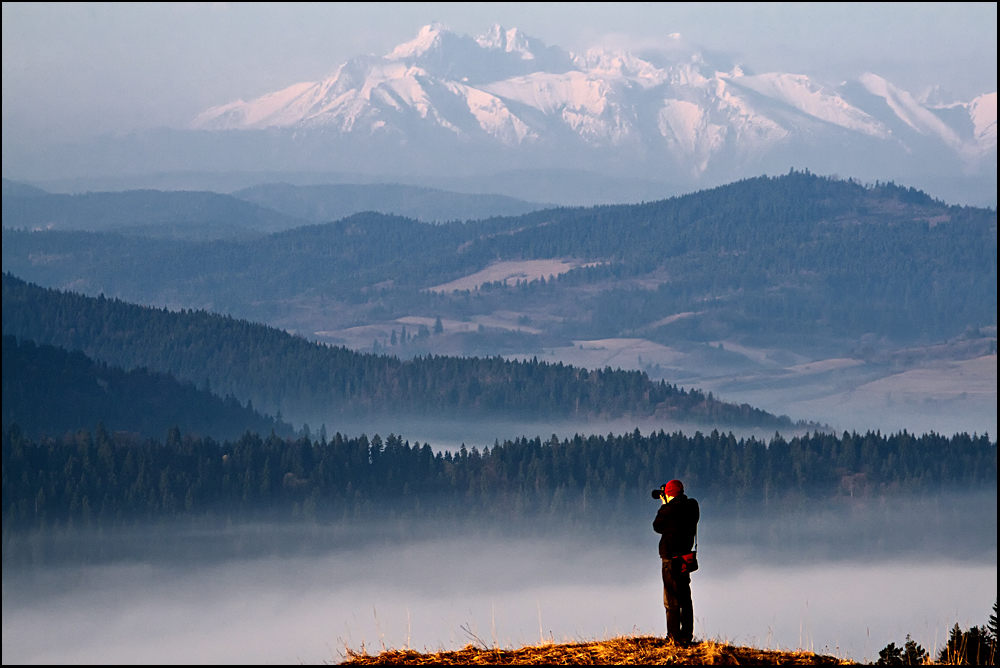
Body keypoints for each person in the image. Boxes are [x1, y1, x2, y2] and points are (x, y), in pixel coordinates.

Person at [652, 478, 699, 645]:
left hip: (671, 558)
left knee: (671, 599)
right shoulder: (692, 506)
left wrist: (665, 504)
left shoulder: (670, 509)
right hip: (685, 558)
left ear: (669, 494)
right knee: (685, 597)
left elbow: (657, 526)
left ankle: (673, 637)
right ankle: (686, 634)